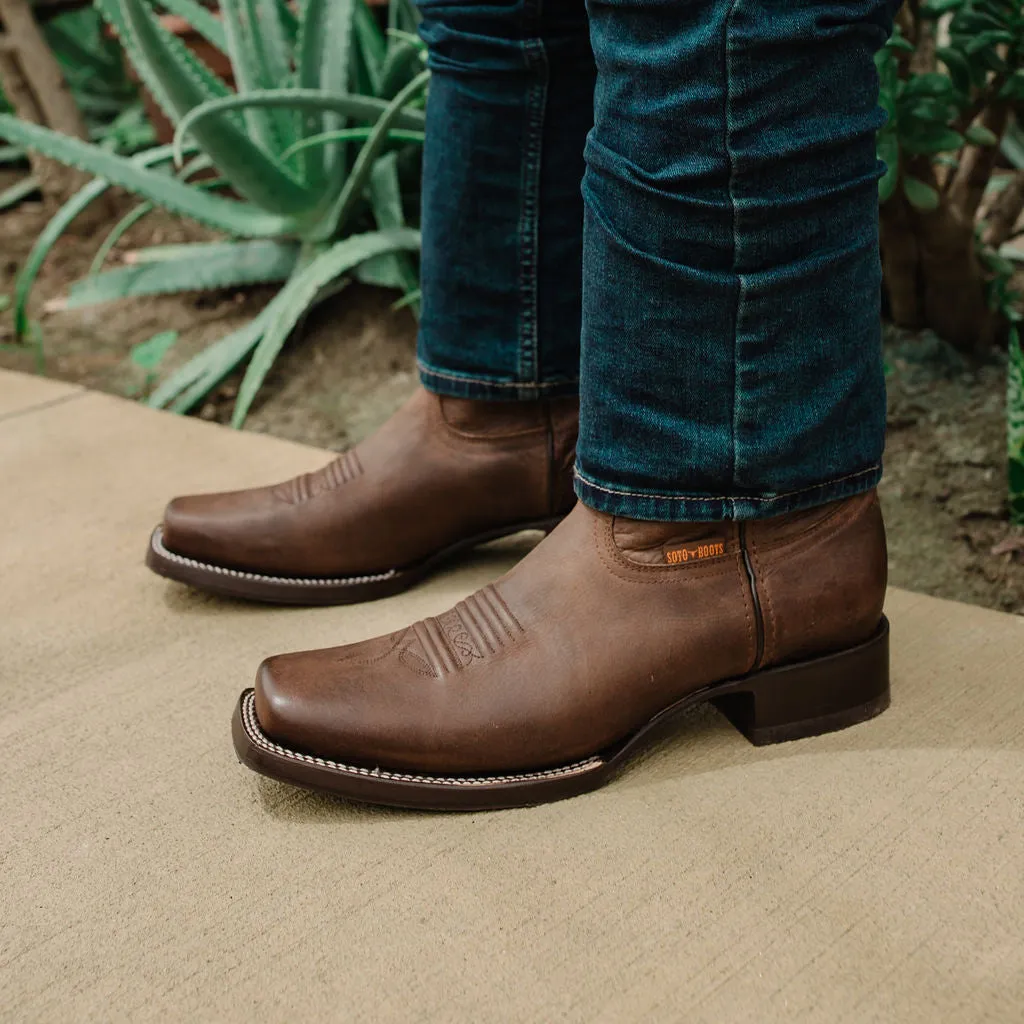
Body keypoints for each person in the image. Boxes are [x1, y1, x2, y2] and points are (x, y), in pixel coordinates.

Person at [148, 0, 896, 809]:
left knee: (714, 27)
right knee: (501, 11)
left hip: (740, 502)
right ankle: (509, 408)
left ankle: (721, 524)